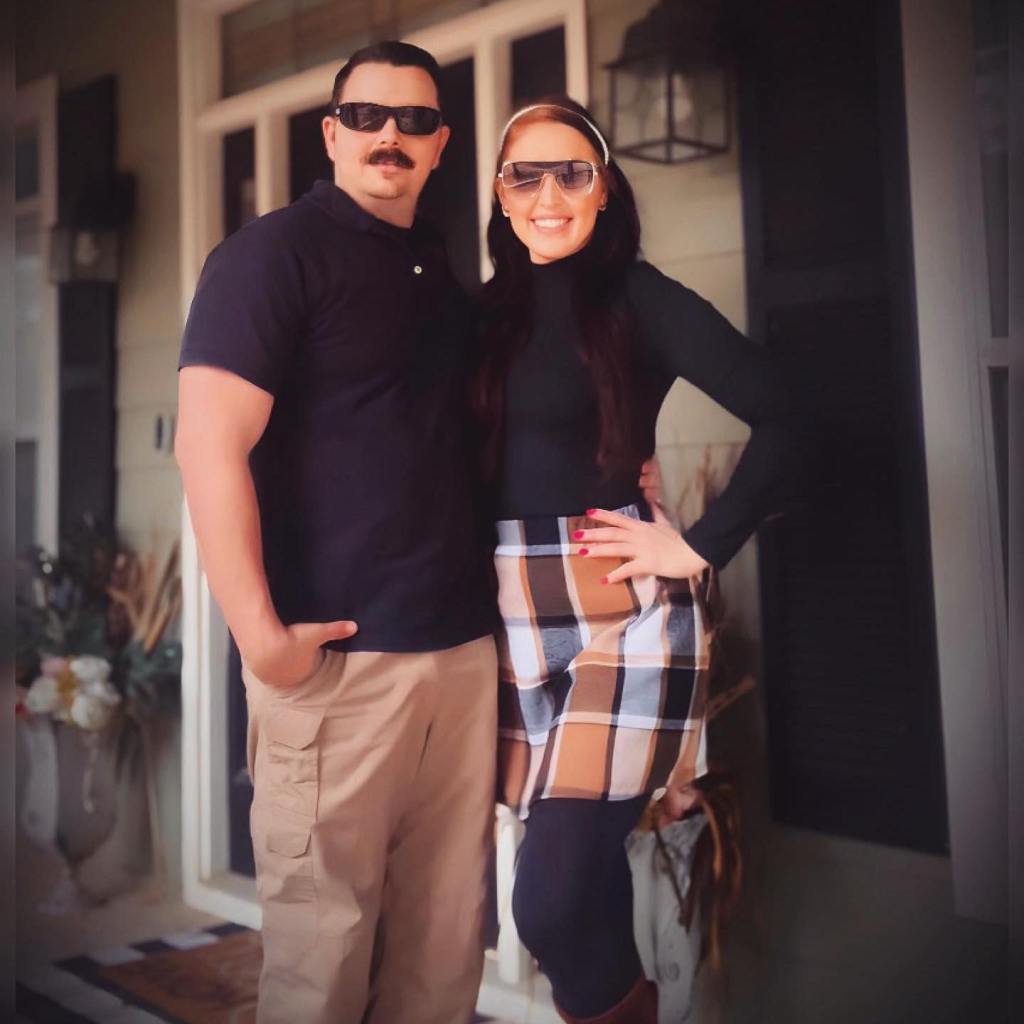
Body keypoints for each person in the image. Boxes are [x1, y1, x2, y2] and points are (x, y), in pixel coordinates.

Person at [175, 42, 500, 1024]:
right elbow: (207, 447)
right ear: (331, 133)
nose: (388, 135)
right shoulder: (270, 256)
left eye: (413, 120)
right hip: (338, 670)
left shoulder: (437, 274)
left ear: (440, 143)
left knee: (441, 960)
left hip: (459, 659)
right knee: (320, 969)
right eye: (366, 116)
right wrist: (260, 640)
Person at [475, 97, 801, 1023]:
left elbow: (791, 414)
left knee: (544, 901)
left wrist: (693, 545)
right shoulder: (480, 314)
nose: (548, 195)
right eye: (525, 175)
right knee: (579, 896)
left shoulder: (639, 298)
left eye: (571, 173)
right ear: (500, 194)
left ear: (605, 189)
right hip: (505, 615)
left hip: (622, 612)